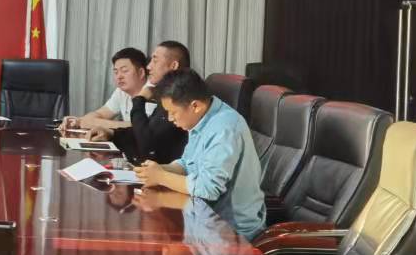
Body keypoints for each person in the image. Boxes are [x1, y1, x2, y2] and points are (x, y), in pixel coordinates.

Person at [136, 69, 266, 240]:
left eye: (173, 112)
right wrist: (159, 169)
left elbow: (207, 188)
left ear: (195, 106)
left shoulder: (224, 128)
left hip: (230, 232)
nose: (169, 119)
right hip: (202, 220)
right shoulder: (203, 117)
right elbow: (187, 163)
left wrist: (160, 177)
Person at [119, 40, 191, 163]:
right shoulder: (166, 93)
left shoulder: (180, 98)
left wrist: (139, 100)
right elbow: (147, 130)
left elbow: (146, 146)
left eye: (155, 61)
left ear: (173, 66)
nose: (148, 67)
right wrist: (111, 133)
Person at [64, 47, 148, 132]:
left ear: (141, 73)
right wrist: (77, 121)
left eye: (124, 71)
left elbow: (142, 127)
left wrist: (97, 123)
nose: (119, 76)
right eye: (116, 72)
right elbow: (100, 114)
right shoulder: (121, 92)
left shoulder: (152, 94)